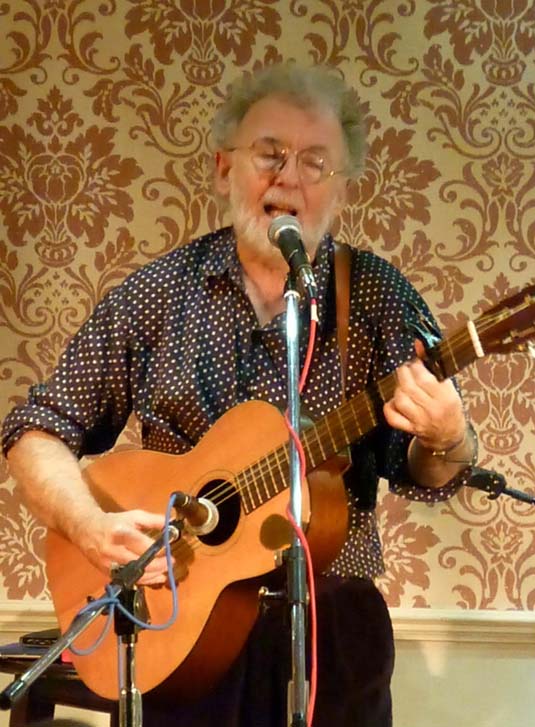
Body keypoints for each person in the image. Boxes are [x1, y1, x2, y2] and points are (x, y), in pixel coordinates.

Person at [2, 63, 477, 726]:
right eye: (269, 153)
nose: (289, 177)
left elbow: (427, 474)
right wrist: (89, 526)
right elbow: (36, 431)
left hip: (333, 634)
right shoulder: (160, 293)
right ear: (224, 168)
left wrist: (449, 436)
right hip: (180, 625)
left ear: (340, 189)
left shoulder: (376, 295)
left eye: (315, 162)